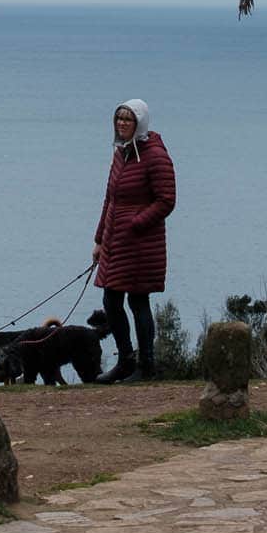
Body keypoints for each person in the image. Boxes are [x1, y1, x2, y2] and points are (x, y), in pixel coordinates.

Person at [91, 98, 176, 382]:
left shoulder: (156, 156)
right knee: (111, 299)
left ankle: (146, 366)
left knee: (138, 301)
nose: (122, 124)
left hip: (142, 244)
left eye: (128, 119)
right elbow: (110, 199)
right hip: (116, 242)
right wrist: (100, 239)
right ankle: (126, 360)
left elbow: (166, 201)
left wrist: (136, 223)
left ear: (140, 123)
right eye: (119, 119)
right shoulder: (121, 154)